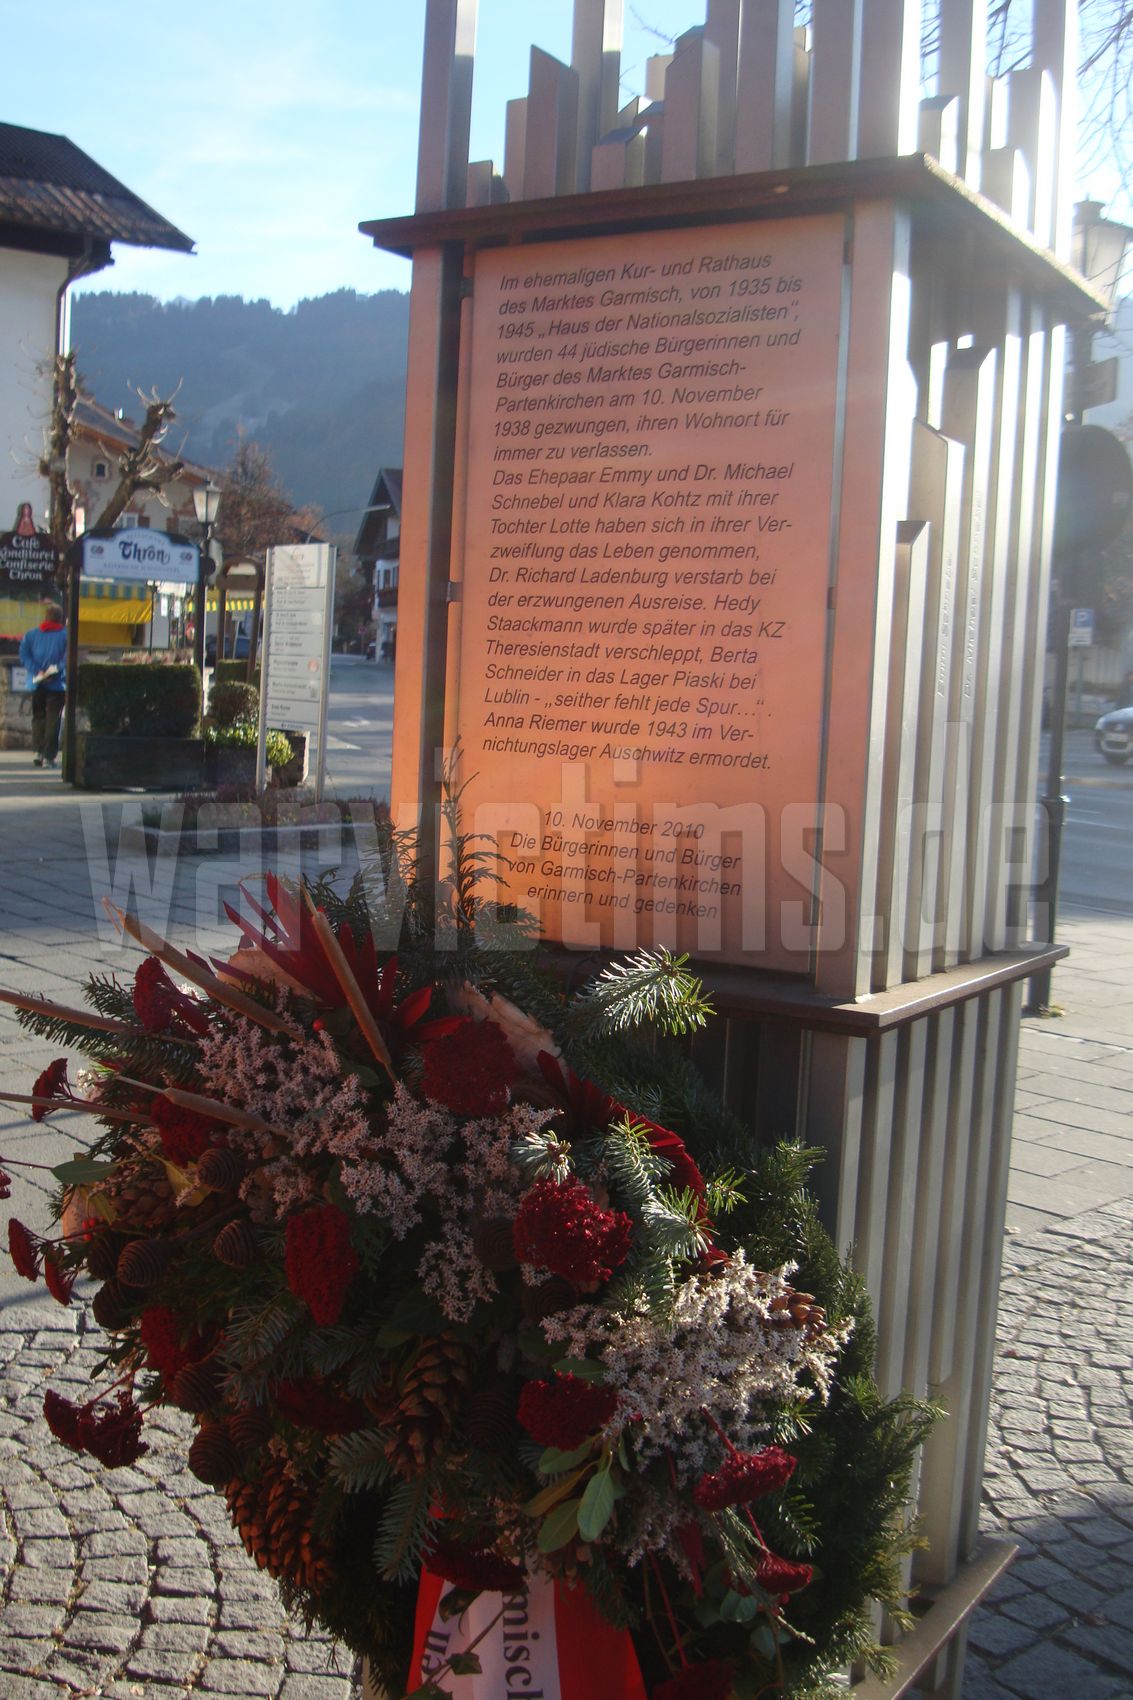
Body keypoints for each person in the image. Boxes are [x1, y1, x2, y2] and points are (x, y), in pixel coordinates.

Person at [19, 601, 67, 768]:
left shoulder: (31, 634)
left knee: (38, 717)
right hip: (57, 684)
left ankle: (38, 752)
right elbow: (67, 658)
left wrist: (37, 671)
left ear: (45, 617)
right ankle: (49, 756)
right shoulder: (66, 635)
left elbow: (24, 655)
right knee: (54, 720)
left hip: (36, 682)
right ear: (60, 619)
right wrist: (54, 671)